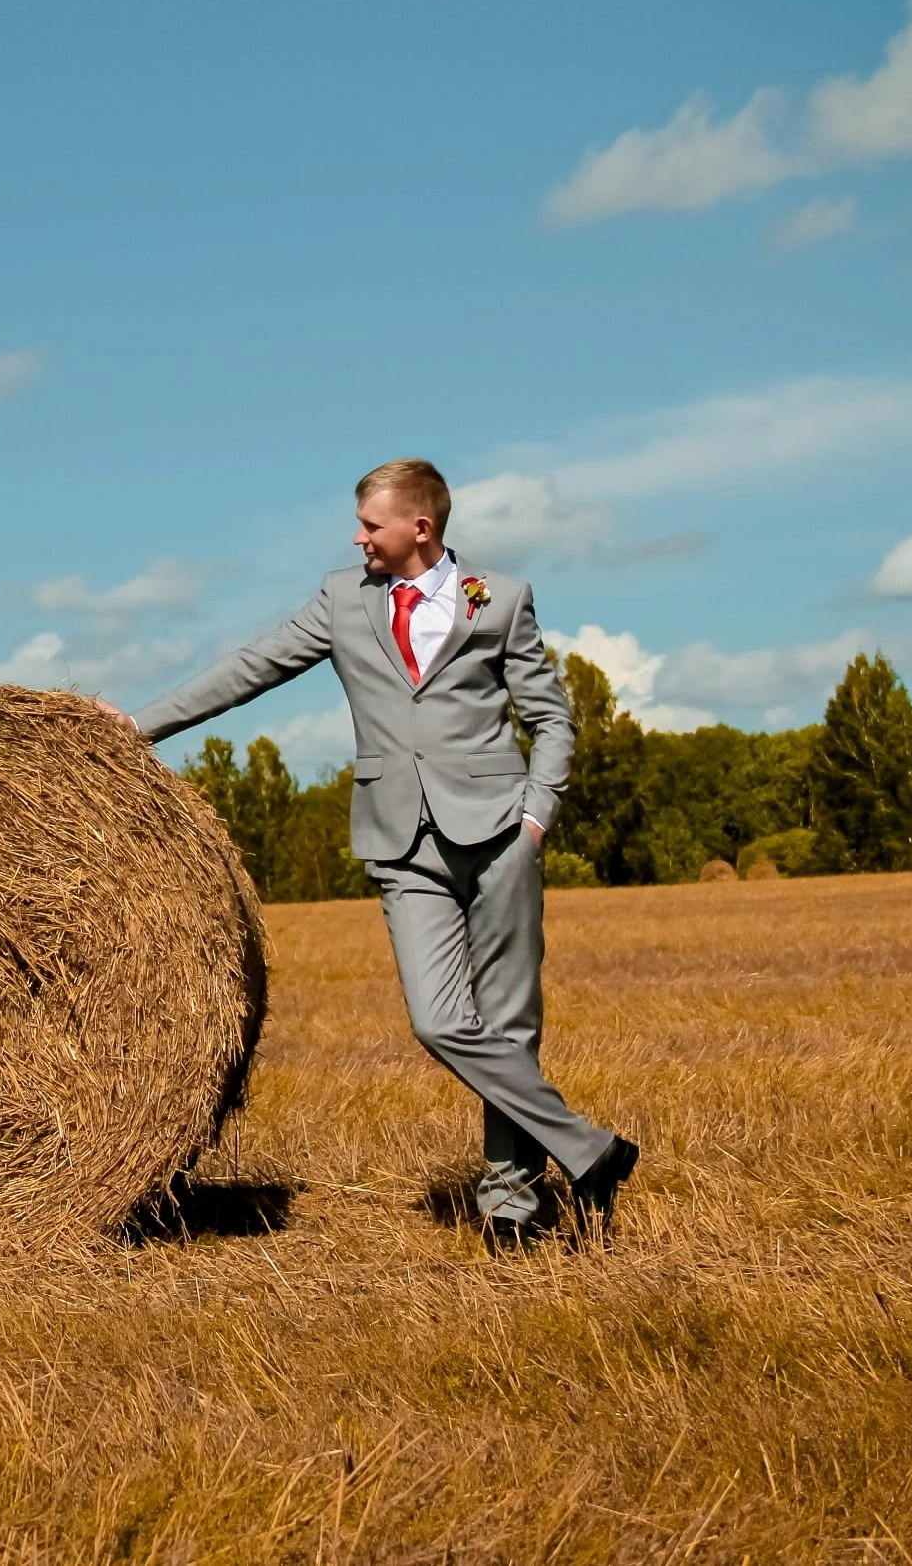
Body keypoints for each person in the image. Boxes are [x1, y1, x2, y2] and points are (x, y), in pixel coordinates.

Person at [123, 459, 637, 1249]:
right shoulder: (341, 600)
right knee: (439, 1022)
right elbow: (249, 669)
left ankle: (511, 1206)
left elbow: (552, 718)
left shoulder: (498, 599)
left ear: (420, 529)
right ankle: (589, 1149)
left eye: (371, 524)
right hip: (401, 840)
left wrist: (537, 815)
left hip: (501, 829)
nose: (358, 536)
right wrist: (137, 726)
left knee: (508, 1022)